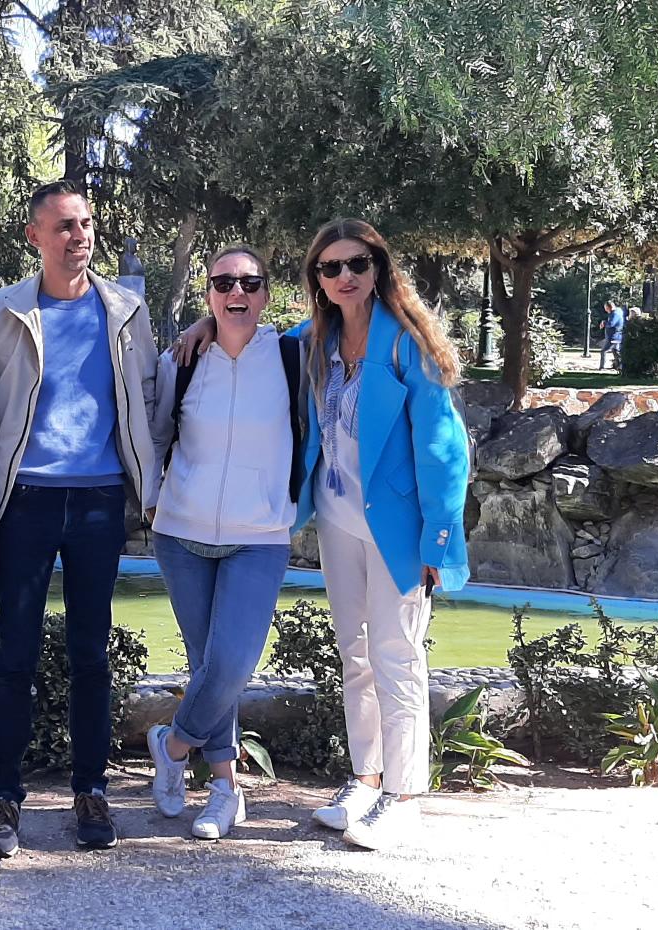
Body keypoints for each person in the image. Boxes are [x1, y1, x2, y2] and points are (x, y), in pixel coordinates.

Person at [177, 218, 471, 851]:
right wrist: (204, 324)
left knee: (397, 654)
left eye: (357, 264)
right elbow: (244, 325)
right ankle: (367, 779)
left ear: (378, 269)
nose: (344, 276)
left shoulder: (407, 344)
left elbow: (445, 450)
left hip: (398, 529)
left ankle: (405, 795)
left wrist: (438, 543)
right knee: (356, 652)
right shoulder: (313, 341)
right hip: (337, 522)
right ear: (316, 277)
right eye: (330, 267)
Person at [0, 180, 160, 854]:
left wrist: (148, 483)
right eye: (64, 226)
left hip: (101, 501)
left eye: (86, 224)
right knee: (14, 651)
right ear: (35, 236)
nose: (79, 236)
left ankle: (91, 791)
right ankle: (4, 796)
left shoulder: (127, 309)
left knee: (90, 654)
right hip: (25, 502)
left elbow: (147, 399)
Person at [142, 246, 305, 840]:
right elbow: (156, 434)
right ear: (208, 291)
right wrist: (151, 500)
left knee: (233, 664)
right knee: (207, 665)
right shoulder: (182, 360)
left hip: (260, 534)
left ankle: (172, 744)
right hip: (181, 532)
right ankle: (224, 791)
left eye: (250, 283)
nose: (237, 292)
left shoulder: (293, 356)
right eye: (224, 283)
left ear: (267, 293)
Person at [599, 300, 627, 370]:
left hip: (613, 336)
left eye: (606, 308)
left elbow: (611, 324)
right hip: (616, 335)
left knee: (604, 351)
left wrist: (604, 323)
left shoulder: (615, 314)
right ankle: (620, 367)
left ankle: (602, 367)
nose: (605, 310)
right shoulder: (618, 311)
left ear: (609, 307)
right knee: (616, 351)